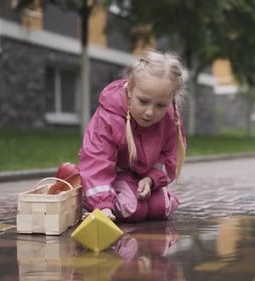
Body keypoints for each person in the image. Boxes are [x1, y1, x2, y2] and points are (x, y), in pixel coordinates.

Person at [78, 50, 187, 223]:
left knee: (160, 207)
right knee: (133, 209)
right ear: (129, 89)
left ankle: (142, 194)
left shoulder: (169, 118)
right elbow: (97, 160)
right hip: (114, 177)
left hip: (143, 178)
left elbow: (170, 155)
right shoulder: (109, 118)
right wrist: (103, 206)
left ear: (171, 100)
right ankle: (94, 199)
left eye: (161, 105)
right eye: (143, 101)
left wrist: (151, 179)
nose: (150, 112)